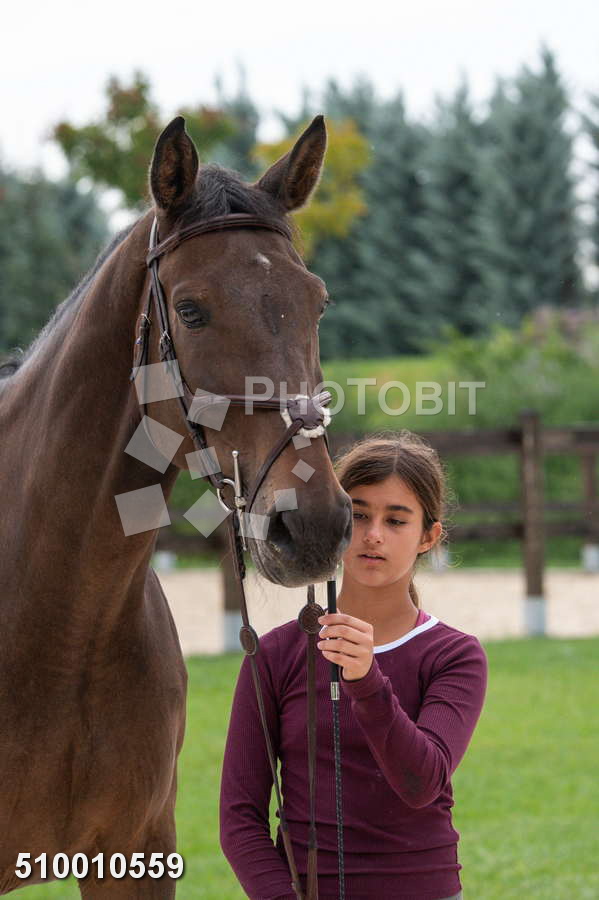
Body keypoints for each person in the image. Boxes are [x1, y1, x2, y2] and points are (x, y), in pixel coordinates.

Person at [220, 430, 488, 899]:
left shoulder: (454, 656)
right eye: (359, 515)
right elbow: (239, 819)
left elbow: (421, 783)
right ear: (335, 521)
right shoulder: (275, 654)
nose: (373, 534)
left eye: (396, 520)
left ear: (428, 537)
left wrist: (366, 681)